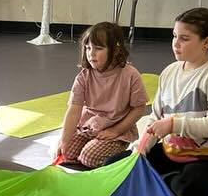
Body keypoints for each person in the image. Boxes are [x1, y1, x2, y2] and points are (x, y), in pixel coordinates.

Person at [137, 7, 208, 196]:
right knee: (116, 163)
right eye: (174, 36)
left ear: (207, 42)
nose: (176, 44)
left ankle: (152, 181)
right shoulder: (169, 72)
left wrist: (174, 125)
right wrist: (142, 147)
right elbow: (156, 117)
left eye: (184, 38)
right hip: (171, 152)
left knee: (190, 189)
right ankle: (158, 180)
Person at [55, 21, 148, 169]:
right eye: (88, 48)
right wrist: (64, 140)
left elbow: (139, 108)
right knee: (66, 153)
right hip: (89, 127)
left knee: (88, 157)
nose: (91, 53)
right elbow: (74, 110)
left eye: (98, 48)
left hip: (116, 130)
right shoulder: (84, 76)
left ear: (116, 50)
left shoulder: (130, 75)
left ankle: (122, 156)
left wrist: (115, 131)